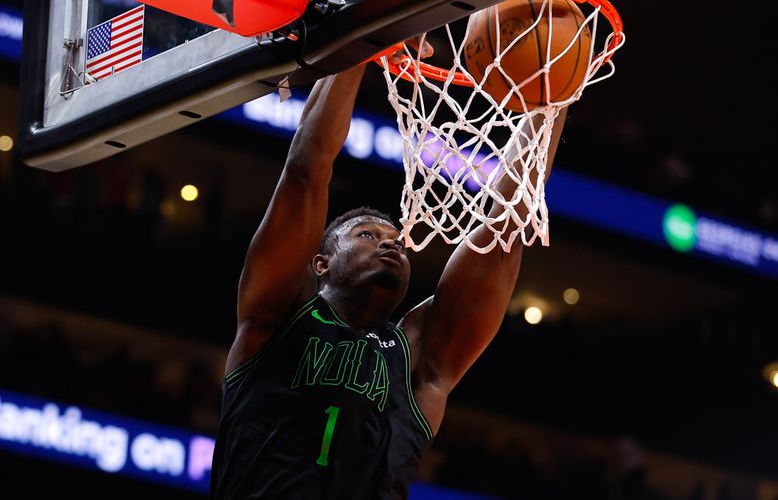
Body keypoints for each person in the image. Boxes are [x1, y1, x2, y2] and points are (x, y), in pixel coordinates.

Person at [209, 54, 568, 499]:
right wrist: (363, 40)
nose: (390, 244)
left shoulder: (419, 355)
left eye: (397, 241)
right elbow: (306, 168)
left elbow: (503, 233)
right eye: (366, 235)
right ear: (321, 264)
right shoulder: (274, 317)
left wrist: (549, 100)